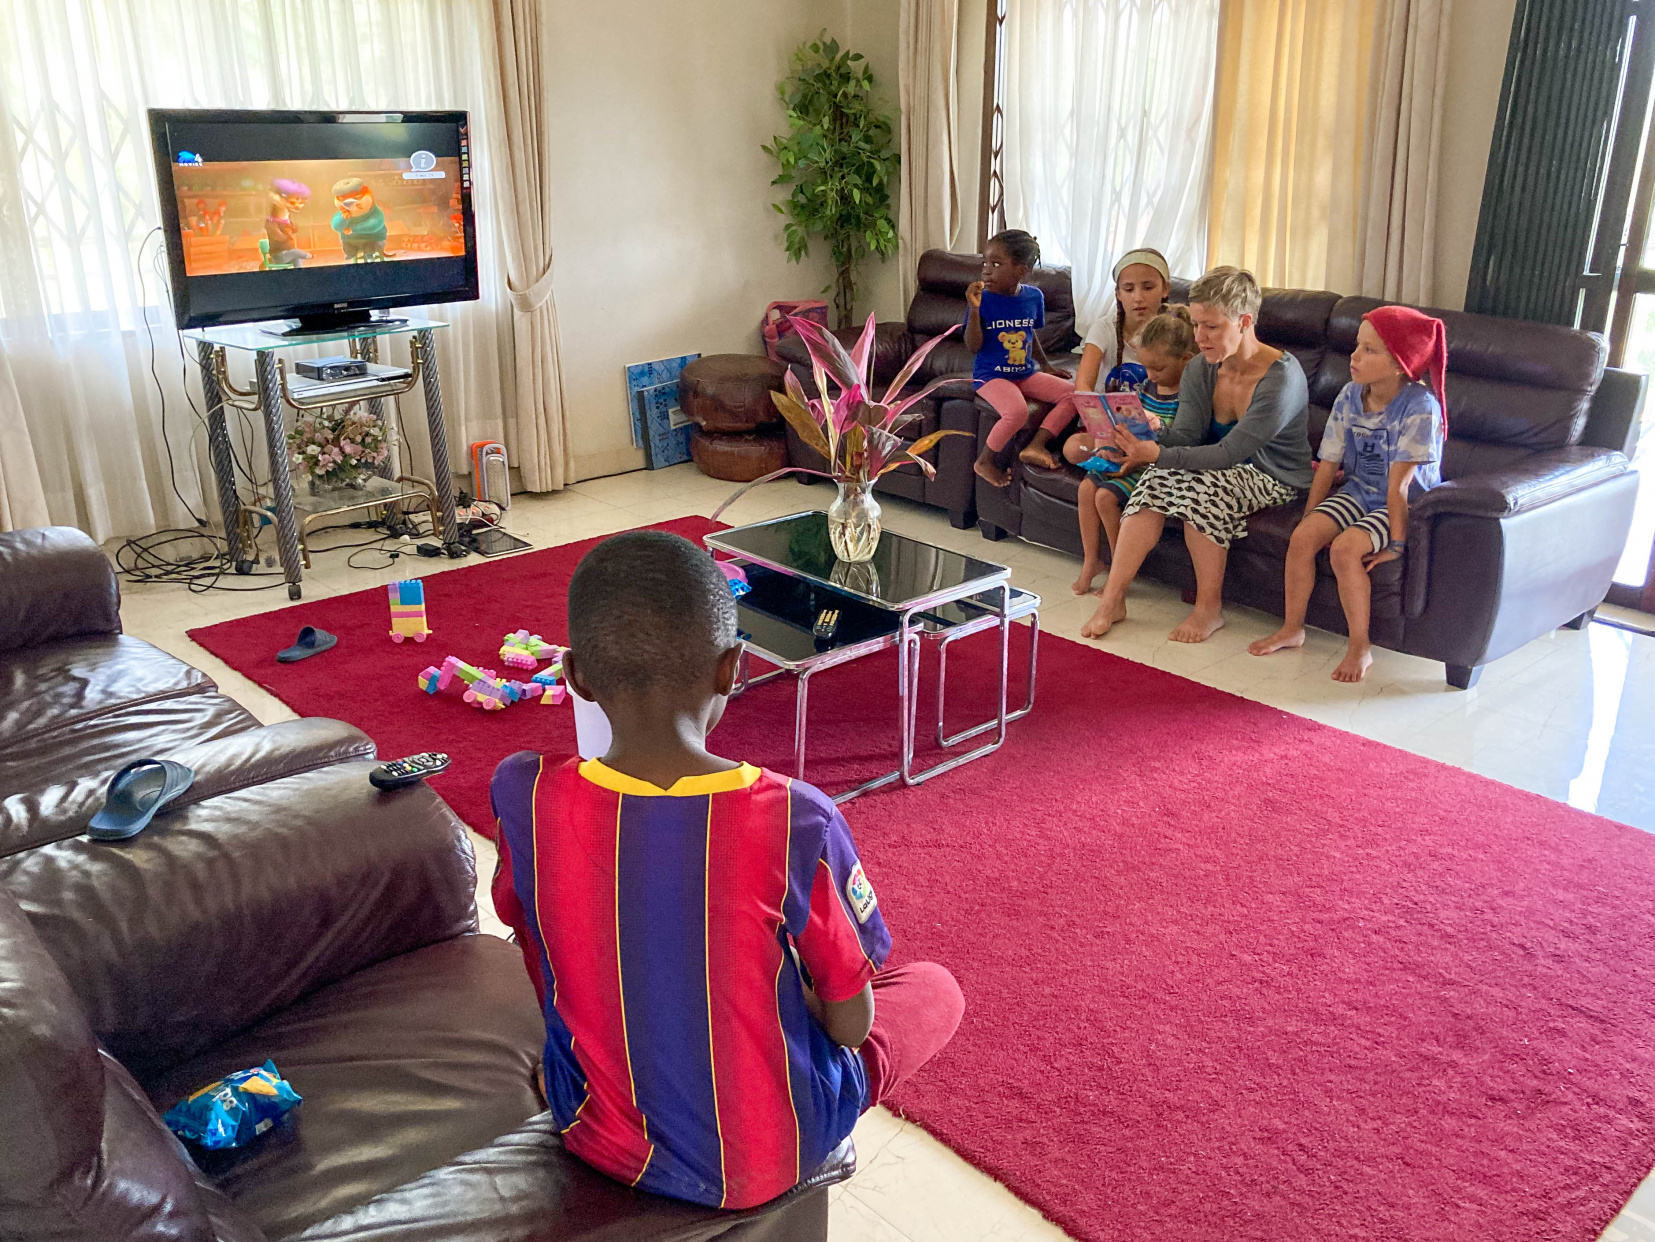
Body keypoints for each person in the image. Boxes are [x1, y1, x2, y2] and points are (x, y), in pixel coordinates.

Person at [488, 531, 965, 1211]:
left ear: (575, 675)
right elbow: (851, 1027)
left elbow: (528, 933)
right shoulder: (797, 818)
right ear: (731, 668)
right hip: (766, 1157)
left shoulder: (523, 792)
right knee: (932, 987)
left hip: (594, 1132)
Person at [1081, 266, 1313, 643]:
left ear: (1244, 322)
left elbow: (1229, 454)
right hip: (1217, 463)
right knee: (1155, 480)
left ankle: (1208, 609)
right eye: (1196, 324)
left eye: (1211, 327)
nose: (1199, 337)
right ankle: (1112, 600)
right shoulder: (1202, 368)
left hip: (1273, 475)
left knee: (1203, 488)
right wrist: (1149, 434)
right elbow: (1187, 437)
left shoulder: (1281, 378)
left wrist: (1155, 454)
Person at [1249, 306, 1448, 682]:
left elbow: (1400, 487)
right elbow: (1327, 464)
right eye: (1357, 346)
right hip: (1358, 490)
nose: (1354, 356)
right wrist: (1310, 517)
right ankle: (1292, 629)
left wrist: (1397, 546)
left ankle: (1360, 646)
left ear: (1399, 364)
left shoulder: (1420, 407)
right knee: (1302, 538)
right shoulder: (1349, 394)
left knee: (1344, 550)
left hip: (1404, 503)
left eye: (1369, 350)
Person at [1070, 306, 1198, 595]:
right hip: (1128, 456)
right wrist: (1108, 444)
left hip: (1153, 466)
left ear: (1186, 359)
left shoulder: (1188, 398)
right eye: (1146, 367)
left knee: (1105, 497)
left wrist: (1149, 439)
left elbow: (1180, 443)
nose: (1151, 375)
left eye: (1158, 369)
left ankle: (1119, 571)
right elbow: (1126, 426)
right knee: (1086, 488)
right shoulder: (1147, 388)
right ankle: (1092, 561)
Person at [1020, 247, 1173, 471]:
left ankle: (1134, 463)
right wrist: (1103, 433)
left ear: (1165, 289)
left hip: (1156, 427)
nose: (1138, 297)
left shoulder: (1176, 332)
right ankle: (1129, 463)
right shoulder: (1104, 328)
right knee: (1073, 449)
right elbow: (1083, 386)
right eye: (1128, 289)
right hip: (1109, 427)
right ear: (1118, 294)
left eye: (1148, 287)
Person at [967, 229, 1078, 487]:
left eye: (996, 264)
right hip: (990, 376)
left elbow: (1029, 334)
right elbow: (973, 346)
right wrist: (973, 310)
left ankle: (1036, 445)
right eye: (985, 263)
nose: (986, 271)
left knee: (1073, 395)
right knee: (1017, 412)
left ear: (1021, 270)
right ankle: (984, 461)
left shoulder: (1033, 297)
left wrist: (1046, 365)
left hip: (1024, 373)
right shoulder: (982, 300)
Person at [264, 178, 311, 268]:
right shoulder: (271, 222)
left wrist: (291, 229)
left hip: (289, 252)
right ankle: (306, 255)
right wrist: (287, 233)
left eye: (302, 202)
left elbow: (293, 230)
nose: (298, 206)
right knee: (296, 253)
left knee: (297, 258)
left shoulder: (286, 218)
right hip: (279, 255)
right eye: (292, 202)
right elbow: (278, 236)